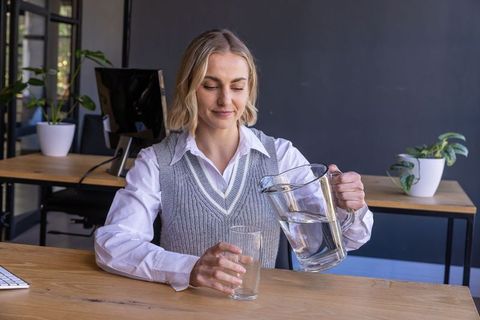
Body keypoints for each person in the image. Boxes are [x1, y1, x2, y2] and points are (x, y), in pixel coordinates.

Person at [95, 29, 373, 295]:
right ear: (189, 88)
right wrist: (189, 268)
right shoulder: (156, 162)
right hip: (183, 309)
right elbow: (112, 245)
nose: (225, 100)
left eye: (237, 87)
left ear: (249, 90)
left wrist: (348, 208)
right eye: (210, 85)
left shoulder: (281, 156)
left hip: (258, 309)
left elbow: (349, 241)